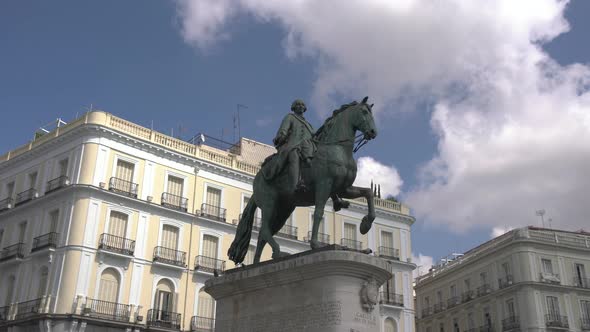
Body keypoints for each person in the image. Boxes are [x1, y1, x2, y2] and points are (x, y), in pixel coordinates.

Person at [273, 99, 315, 192]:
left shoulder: (309, 125)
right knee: (294, 155)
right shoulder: (290, 117)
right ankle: (296, 185)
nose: (300, 106)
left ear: (305, 108)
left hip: (309, 147)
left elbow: (314, 135)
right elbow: (283, 130)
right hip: (294, 145)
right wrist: (281, 137)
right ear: (294, 107)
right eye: (298, 104)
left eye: (302, 105)